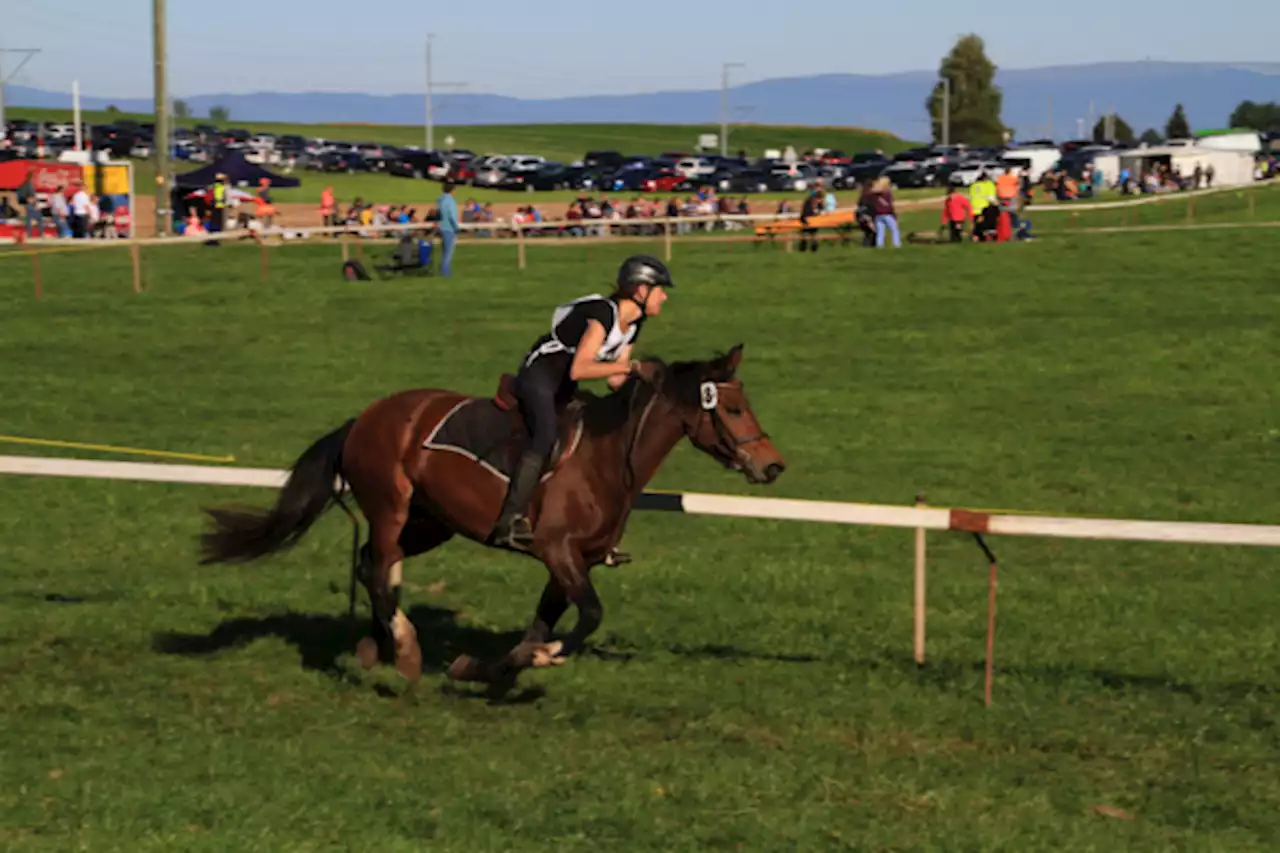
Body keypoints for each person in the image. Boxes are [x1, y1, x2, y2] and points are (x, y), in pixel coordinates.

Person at [492, 254, 673, 552]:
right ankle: (509, 519)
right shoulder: (604, 313)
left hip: (563, 382)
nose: (664, 297)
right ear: (641, 290)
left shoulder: (634, 323)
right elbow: (581, 368)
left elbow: (615, 379)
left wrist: (652, 385)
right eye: (660, 290)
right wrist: (632, 368)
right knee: (546, 437)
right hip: (540, 375)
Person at [437, 180, 459, 276]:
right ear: (452, 190)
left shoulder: (440, 200)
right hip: (449, 228)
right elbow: (452, 215)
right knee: (448, 252)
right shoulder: (451, 201)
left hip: (441, 227)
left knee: (444, 251)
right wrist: (456, 227)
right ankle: (446, 273)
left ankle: (444, 271)